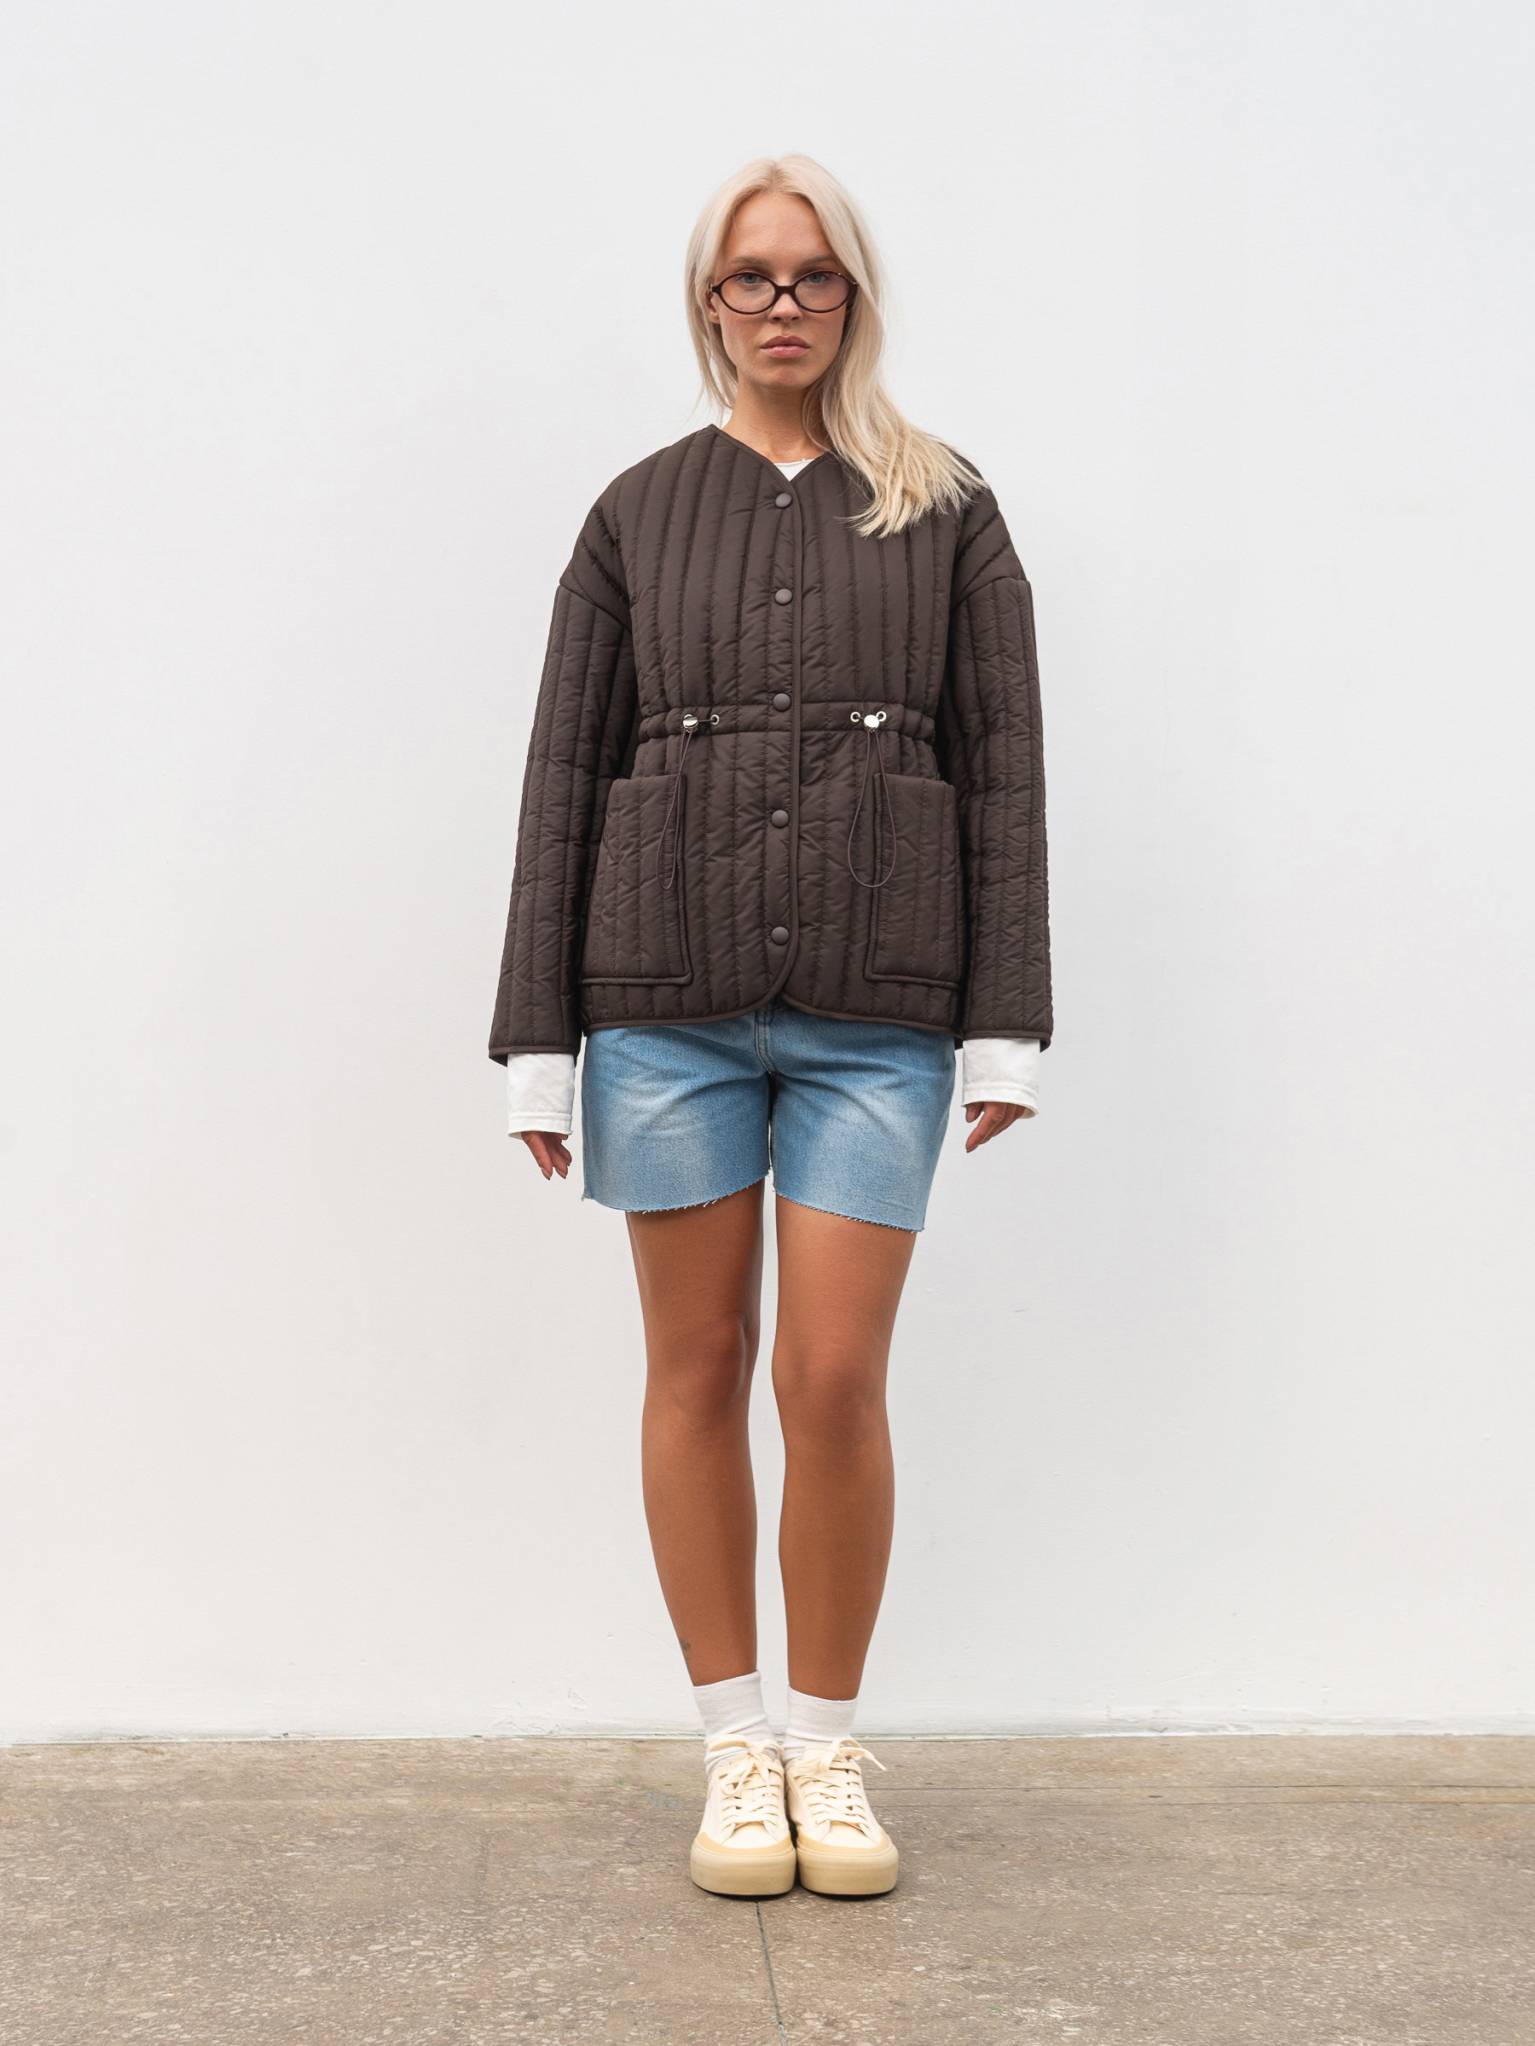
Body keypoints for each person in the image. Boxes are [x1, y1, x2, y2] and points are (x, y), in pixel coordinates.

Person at [487, 153, 1052, 1898]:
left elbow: (1007, 772)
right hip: (660, 1010)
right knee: (696, 1366)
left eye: (813, 275)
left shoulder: (947, 509)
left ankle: (824, 1743)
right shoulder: (635, 512)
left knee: (831, 1376)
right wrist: (536, 1042)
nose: (783, 302)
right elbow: (563, 774)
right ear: (709, 301)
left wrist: (1006, 1027)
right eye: (752, 276)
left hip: (881, 1017)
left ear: (854, 296)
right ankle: (734, 1747)